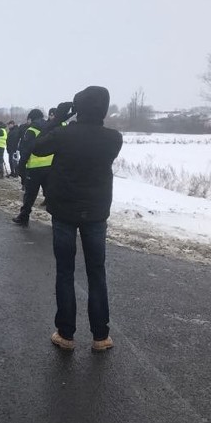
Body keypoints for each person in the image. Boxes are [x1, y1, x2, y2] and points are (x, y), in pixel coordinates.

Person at [32, 86, 123, 352]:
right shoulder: (113, 139)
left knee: (65, 272)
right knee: (97, 273)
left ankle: (66, 334)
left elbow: (37, 148)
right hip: (96, 213)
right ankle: (100, 336)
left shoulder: (63, 133)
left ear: (78, 108)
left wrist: (57, 119)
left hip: (64, 212)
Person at [12, 109, 51, 226]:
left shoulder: (31, 130)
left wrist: (21, 166)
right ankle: (58, 219)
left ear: (31, 118)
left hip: (35, 168)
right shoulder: (51, 127)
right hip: (50, 167)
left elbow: (26, 150)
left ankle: (24, 217)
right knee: (50, 194)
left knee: (30, 195)